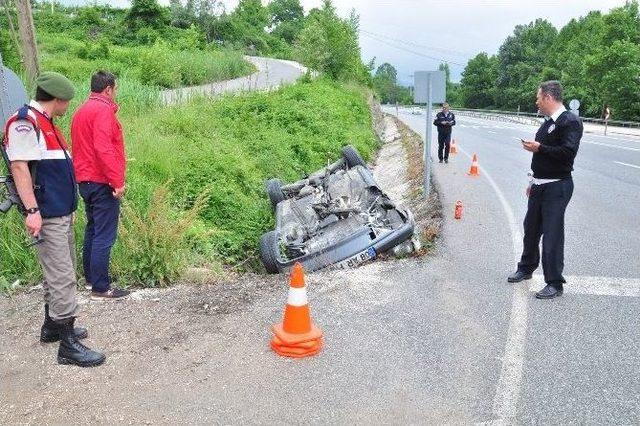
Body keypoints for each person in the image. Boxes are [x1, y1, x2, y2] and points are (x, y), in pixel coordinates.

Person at [3, 71, 105, 366]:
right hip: (46, 212)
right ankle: (68, 344)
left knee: (60, 271)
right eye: (66, 102)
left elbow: (56, 170)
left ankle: (51, 327)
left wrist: (69, 207)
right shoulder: (26, 122)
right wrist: (33, 211)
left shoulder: (46, 123)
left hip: (59, 210)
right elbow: (20, 168)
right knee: (63, 278)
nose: (67, 107)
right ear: (57, 99)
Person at [508, 81, 583, 299]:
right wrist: (532, 181)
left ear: (549, 98)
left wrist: (540, 148)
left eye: (538, 97)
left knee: (552, 234)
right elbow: (543, 156)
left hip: (557, 186)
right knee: (530, 227)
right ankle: (526, 267)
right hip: (540, 184)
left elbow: (567, 152)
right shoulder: (547, 122)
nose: (536, 101)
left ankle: (554, 283)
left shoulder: (570, 121)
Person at [71, 71, 129, 301]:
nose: (116, 93)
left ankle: (91, 280)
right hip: (101, 180)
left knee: (93, 230)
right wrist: (117, 181)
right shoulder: (103, 111)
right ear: (108, 89)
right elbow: (103, 148)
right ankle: (101, 287)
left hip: (84, 180)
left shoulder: (81, 110)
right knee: (105, 235)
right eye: (115, 89)